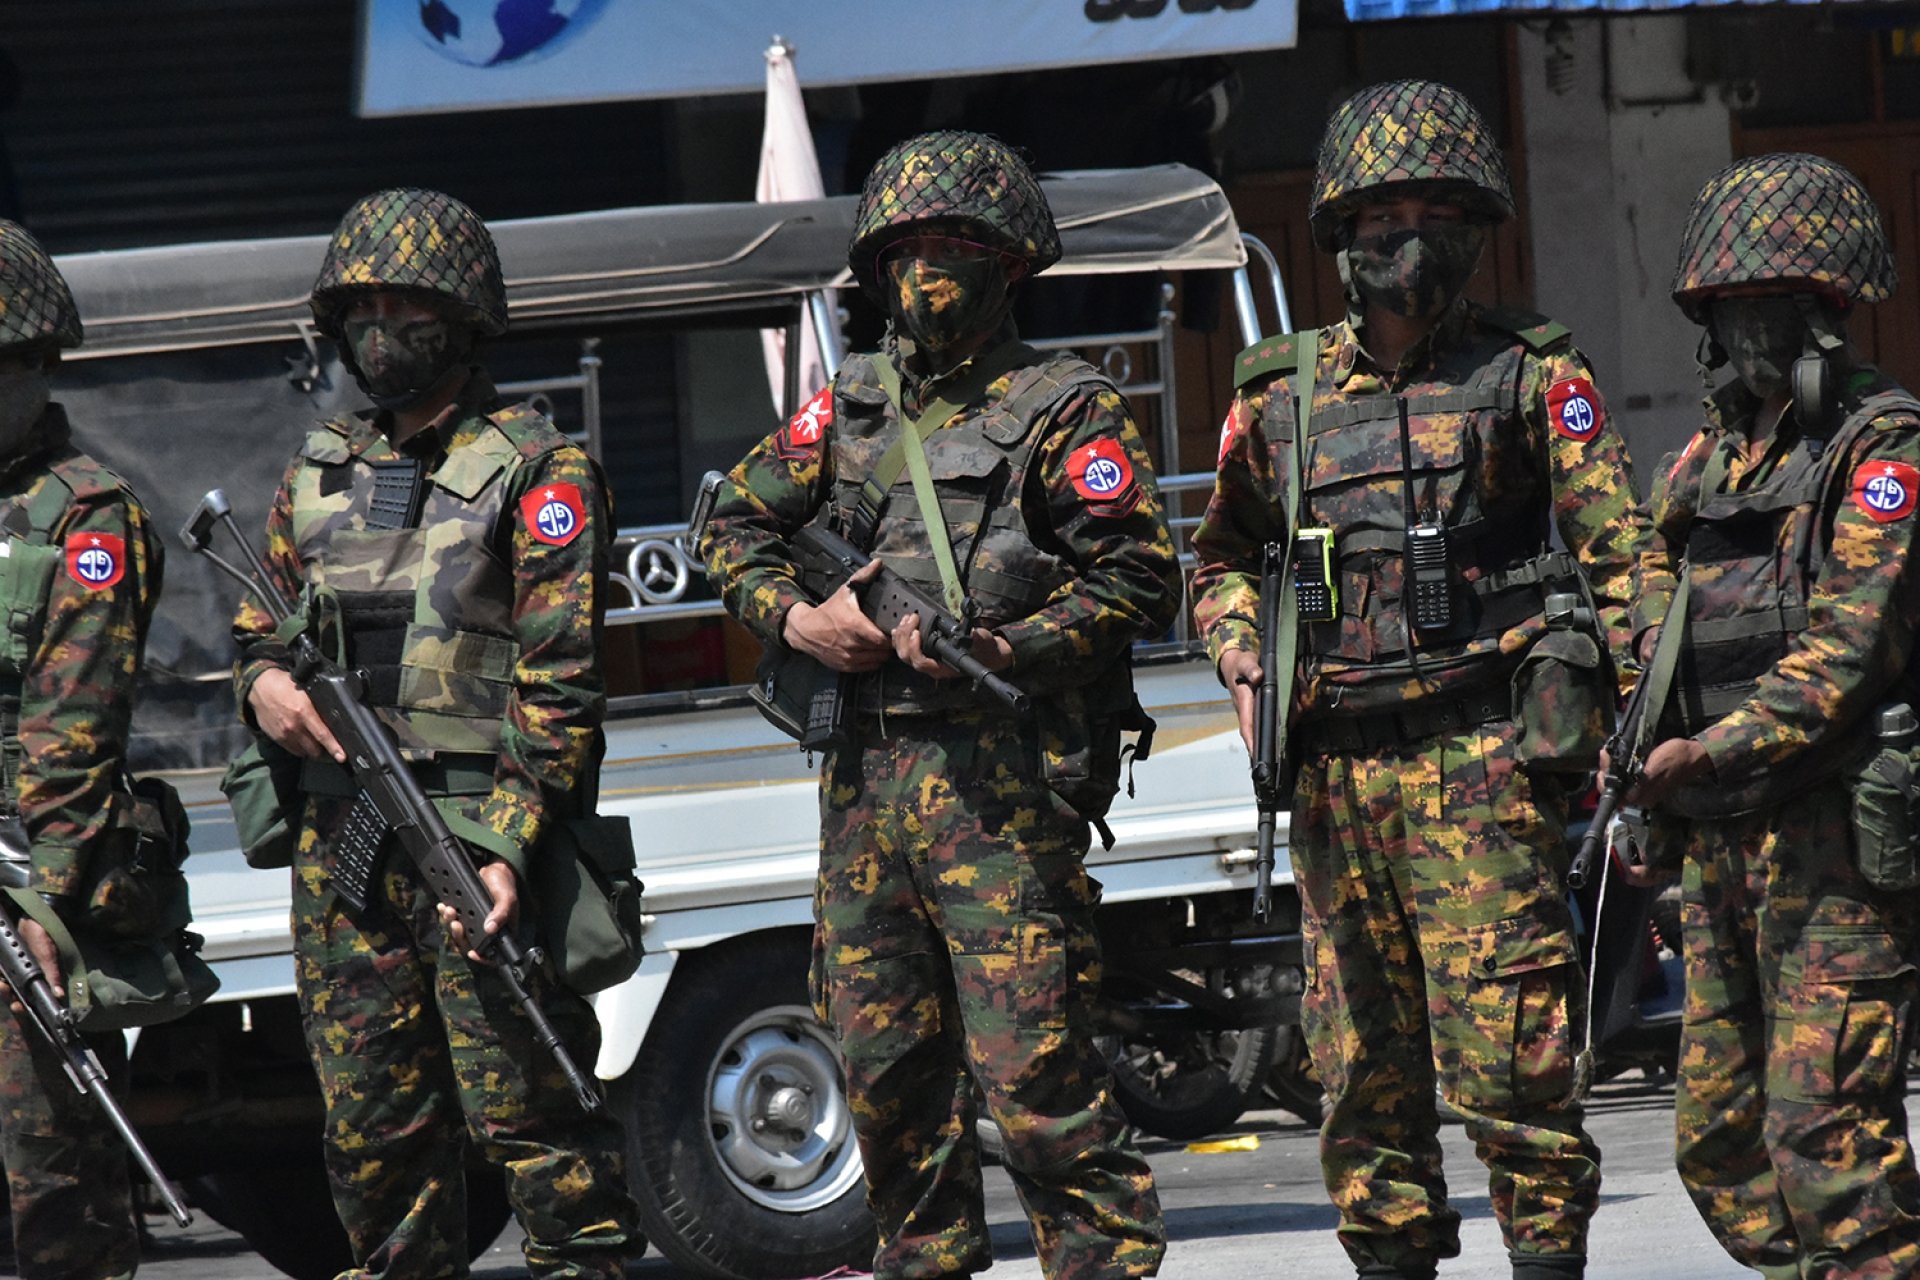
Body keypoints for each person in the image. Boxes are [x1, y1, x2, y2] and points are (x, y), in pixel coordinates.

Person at [1190, 80, 1656, 1280]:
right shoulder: (1279, 397)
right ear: (1341, 231)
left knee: (1515, 1063)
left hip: (1481, 760)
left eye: (1441, 214)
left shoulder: (1529, 372)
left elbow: (1626, 560)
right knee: (1360, 1076)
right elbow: (1222, 558)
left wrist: (1650, 729)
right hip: (1334, 775)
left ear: (1478, 228)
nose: (1412, 238)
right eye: (1387, 214)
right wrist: (1241, 652)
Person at [700, 130, 1175, 1280]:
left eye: (957, 243)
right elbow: (731, 522)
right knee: (888, 1084)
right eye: (910, 247)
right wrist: (799, 620)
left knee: (1040, 1087)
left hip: (1001, 791)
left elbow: (1139, 576)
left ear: (1009, 262)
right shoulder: (848, 409)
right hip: (865, 794)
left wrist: (1010, 644)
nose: (930, 270)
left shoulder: (1065, 409)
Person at [230, 188, 638, 1280]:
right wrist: (264, 682)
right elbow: (258, 621)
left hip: (479, 844)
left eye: (405, 307)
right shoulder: (319, 469)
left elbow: (561, 682)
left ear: (462, 320)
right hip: (343, 851)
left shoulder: (538, 471)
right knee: (374, 1137)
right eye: (359, 310)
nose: (379, 331)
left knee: (536, 1122)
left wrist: (504, 843)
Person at [1638, 152, 1920, 1278]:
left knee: (1828, 1143)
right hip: (1720, 843)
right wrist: (1642, 746)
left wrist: (1706, 750)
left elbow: (1848, 650)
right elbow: (1651, 590)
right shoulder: (1710, 459)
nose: (1751, 326)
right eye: (1732, 303)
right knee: (1719, 1145)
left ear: (1828, 309)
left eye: (1776, 301)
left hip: (1834, 840)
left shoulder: (1883, 445)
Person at [0, 220, 164, 1280]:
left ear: (30, 365)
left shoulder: (85, 518)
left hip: (24, 881)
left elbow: (73, 737)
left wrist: (45, 905)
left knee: (49, 1182)